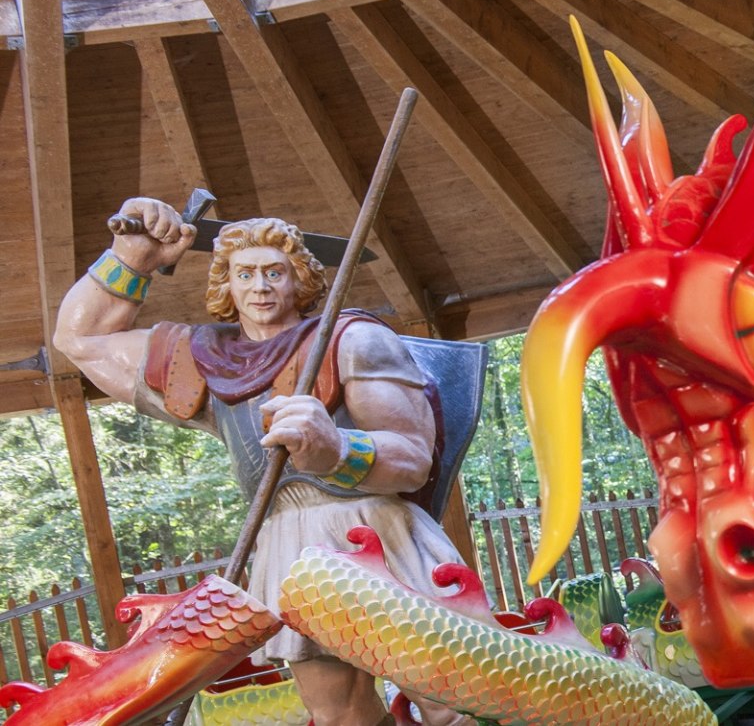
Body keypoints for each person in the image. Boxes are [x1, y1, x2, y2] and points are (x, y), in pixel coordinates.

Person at [52, 198, 469, 726]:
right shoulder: (203, 360)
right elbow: (79, 340)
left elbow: (411, 459)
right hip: (286, 540)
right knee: (340, 715)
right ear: (226, 284)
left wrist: (337, 450)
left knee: (450, 699)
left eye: (275, 272)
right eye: (244, 274)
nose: (260, 286)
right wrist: (132, 256)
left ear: (299, 280)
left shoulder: (351, 340)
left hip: (374, 529)